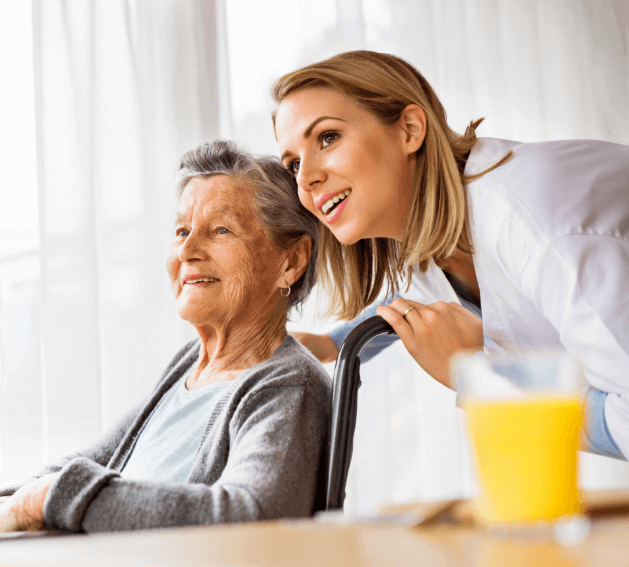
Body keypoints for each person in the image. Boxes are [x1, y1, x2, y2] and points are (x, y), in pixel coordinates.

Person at [272, 50, 629, 460]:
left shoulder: (532, 222)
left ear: (409, 129)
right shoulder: (434, 233)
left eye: (328, 137)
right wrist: (332, 343)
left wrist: (478, 377)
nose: (307, 177)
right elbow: (419, 299)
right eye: (293, 163)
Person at [0, 140, 331, 533]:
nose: (187, 250)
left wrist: (49, 498)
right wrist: (22, 499)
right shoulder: (189, 367)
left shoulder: (288, 384)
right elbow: (82, 466)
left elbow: (252, 513)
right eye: (181, 230)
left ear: (290, 262)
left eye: (221, 230)